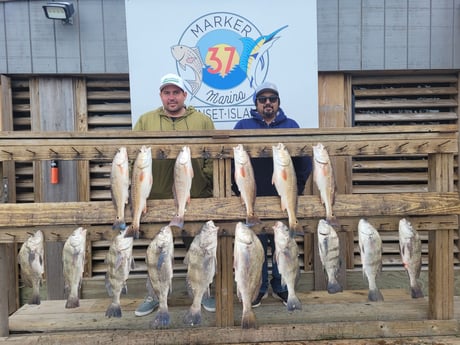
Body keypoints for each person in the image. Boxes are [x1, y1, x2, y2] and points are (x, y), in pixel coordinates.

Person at [133, 73, 216, 316]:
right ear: (161, 95)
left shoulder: (202, 120)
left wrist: (210, 187)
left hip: (196, 197)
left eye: (176, 92)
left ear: (184, 95)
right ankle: (155, 295)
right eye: (167, 92)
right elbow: (133, 158)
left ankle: (204, 293)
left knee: (201, 250)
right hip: (156, 199)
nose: (172, 97)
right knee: (155, 254)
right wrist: (134, 191)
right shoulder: (145, 120)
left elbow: (211, 158)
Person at [232, 82, 312, 307]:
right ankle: (258, 288)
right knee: (255, 247)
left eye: (272, 98)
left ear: (278, 102)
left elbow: (304, 163)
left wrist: (297, 190)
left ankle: (281, 286)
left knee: (283, 247)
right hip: (253, 200)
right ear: (256, 103)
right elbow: (234, 164)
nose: (267, 102)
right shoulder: (243, 125)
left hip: (283, 200)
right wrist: (237, 189)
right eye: (262, 99)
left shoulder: (291, 125)